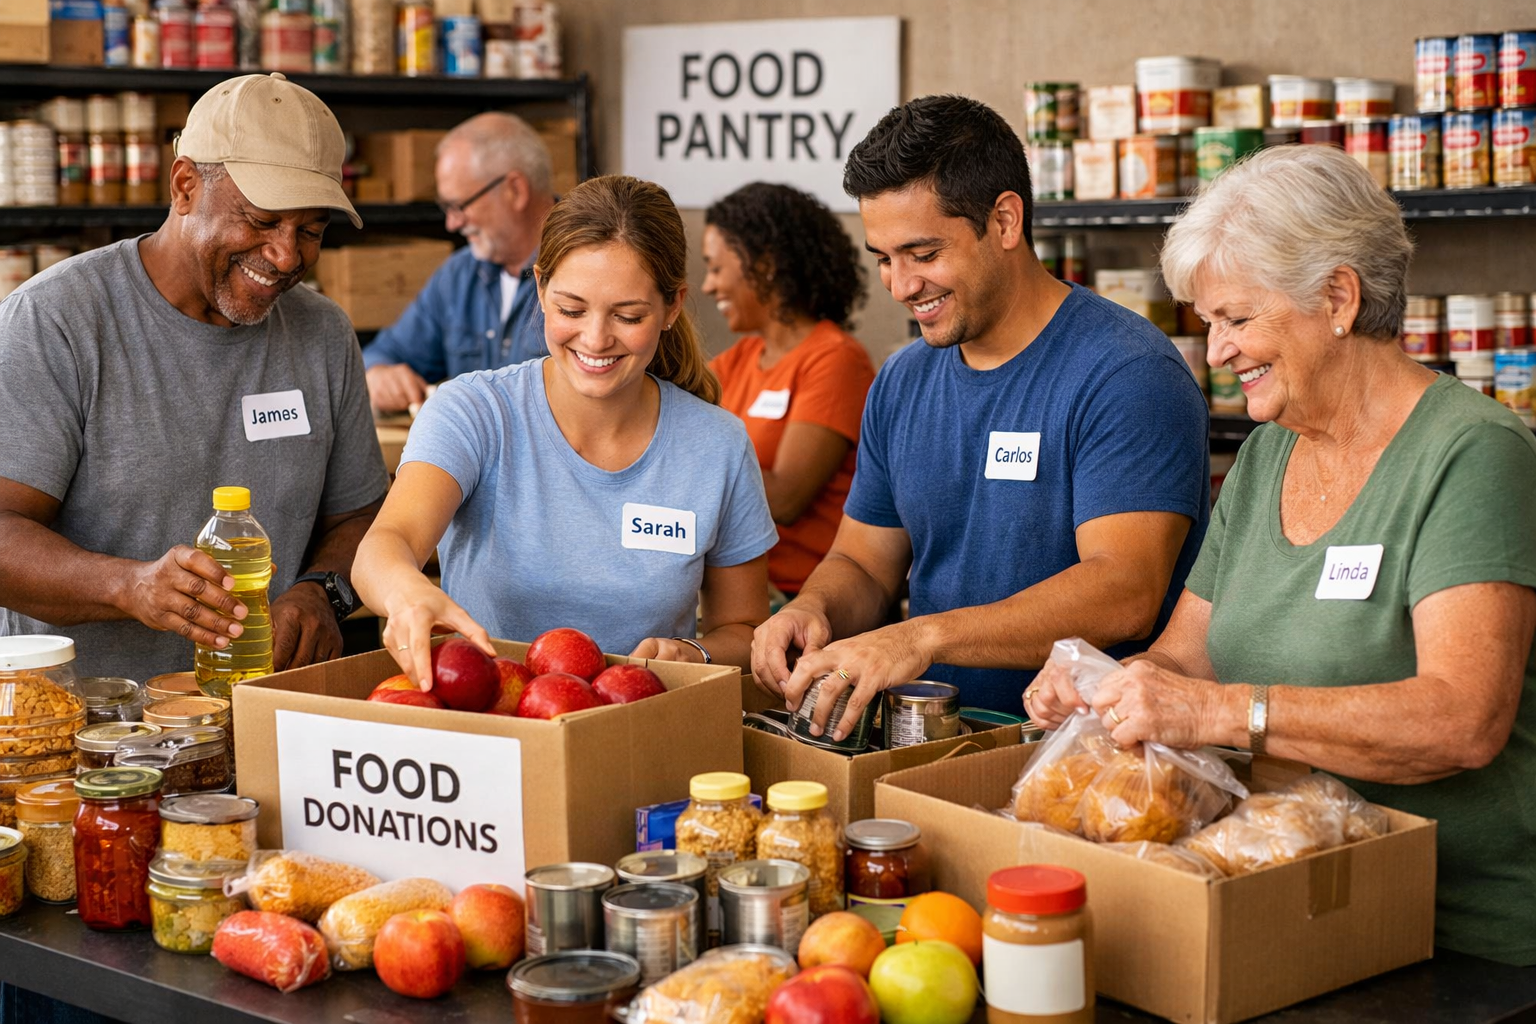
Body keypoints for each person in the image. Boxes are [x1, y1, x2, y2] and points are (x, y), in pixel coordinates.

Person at [1028, 144, 1536, 966]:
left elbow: (1462, 720)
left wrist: (1223, 714)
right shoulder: (1269, 453)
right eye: (1208, 324)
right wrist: (1108, 687)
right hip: (1281, 895)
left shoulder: (1474, 454)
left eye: (1236, 318)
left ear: (1338, 296)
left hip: (1453, 940)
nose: (1217, 352)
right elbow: (1185, 658)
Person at [750, 94, 1211, 729]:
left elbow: (1125, 589)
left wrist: (920, 638)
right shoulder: (902, 380)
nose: (901, 286)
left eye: (924, 253)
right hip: (931, 737)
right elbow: (864, 560)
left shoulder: (1127, 372)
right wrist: (814, 608)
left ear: (1004, 221)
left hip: (1087, 750)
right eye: (884, 258)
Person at [0, 72, 386, 683]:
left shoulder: (322, 334)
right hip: (82, 732)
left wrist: (320, 591)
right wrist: (128, 587)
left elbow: (361, 519)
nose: (287, 256)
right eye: (261, 221)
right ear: (184, 186)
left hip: (254, 716)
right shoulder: (57, 321)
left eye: (310, 230)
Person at [354, 174, 779, 683]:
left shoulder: (717, 446)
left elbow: (743, 628)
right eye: (571, 310)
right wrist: (408, 592)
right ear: (540, 288)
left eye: (628, 315)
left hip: (638, 724)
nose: (595, 339)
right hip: (491, 723)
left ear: (672, 307)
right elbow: (385, 546)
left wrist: (697, 654)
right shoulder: (473, 411)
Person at [703, 182, 875, 599]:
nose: (708, 286)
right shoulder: (736, 361)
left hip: (807, 602)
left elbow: (785, 499)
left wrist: (695, 455)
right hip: (738, 589)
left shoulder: (835, 359)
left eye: (715, 267)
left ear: (764, 266)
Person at [363, 112, 556, 413]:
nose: (452, 224)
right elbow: (386, 352)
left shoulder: (584, 273)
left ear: (514, 190)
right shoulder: (459, 276)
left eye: (459, 206)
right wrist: (380, 374)